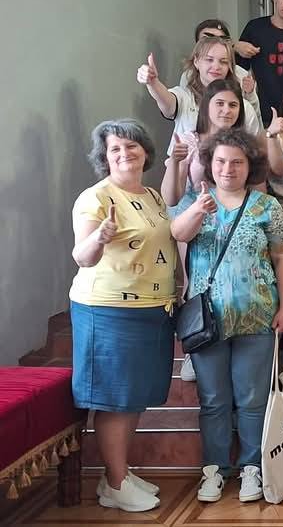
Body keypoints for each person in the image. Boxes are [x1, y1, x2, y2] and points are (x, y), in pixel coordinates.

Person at [170, 129, 283, 505]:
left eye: (237, 162)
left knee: (253, 399)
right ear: (210, 164)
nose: (228, 169)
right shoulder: (196, 200)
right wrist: (197, 209)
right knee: (213, 399)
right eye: (221, 161)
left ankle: (252, 467)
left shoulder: (267, 206)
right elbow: (177, 233)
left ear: (249, 166)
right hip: (208, 321)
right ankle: (215, 468)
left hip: (258, 317)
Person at [71, 119, 176, 513]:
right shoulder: (95, 198)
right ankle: (116, 481)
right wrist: (99, 236)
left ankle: (118, 474)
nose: (124, 154)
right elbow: (82, 257)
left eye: (131, 146)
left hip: (151, 308)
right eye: (115, 149)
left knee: (133, 397)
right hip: (109, 310)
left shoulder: (152, 195)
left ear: (145, 151)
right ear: (105, 157)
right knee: (115, 399)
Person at [161, 78, 281, 207]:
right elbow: (171, 200)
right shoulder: (188, 142)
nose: (227, 110)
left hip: (234, 215)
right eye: (220, 103)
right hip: (191, 213)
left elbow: (259, 196)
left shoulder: (247, 145)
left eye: (233, 105)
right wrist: (174, 161)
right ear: (207, 106)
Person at [137, 37, 264, 152]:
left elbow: (256, 150)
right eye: (209, 60)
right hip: (183, 169)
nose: (216, 66)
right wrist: (153, 82)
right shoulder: (185, 97)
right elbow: (166, 102)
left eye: (223, 62)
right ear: (196, 61)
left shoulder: (244, 106)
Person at [187, 19, 260, 115]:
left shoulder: (242, 76)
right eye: (208, 40)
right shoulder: (187, 77)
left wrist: (250, 95)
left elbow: (253, 117)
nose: (216, 67)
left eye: (221, 40)